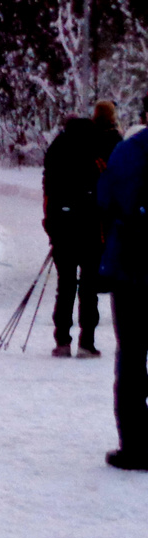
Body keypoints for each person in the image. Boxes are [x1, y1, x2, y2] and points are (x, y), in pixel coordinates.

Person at [97, 104, 148, 470]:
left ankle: (134, 446)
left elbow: (104, 199)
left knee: (131, 356)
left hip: (130, 269)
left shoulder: (127, 151)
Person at [44, 116, 111, 357]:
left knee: (65, 285)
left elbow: (48, 191)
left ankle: (62, 341)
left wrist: (51, 226)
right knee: (88, 287)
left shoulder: (56, 148)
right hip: (91, 228)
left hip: (62, 227)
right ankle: (87, 342)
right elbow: (105, 189)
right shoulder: (95, 151)